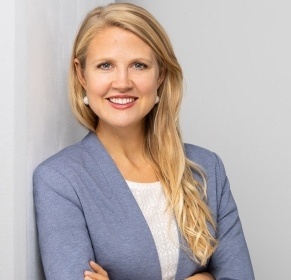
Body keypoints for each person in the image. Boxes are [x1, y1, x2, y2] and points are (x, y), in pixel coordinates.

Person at [33, 3, 255, 280]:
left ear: (160, 74)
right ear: (81, 74)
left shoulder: (206, 168)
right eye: (105, 66)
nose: (123, 82)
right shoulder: (60, 179)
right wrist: (203, 277)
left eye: (139, 65)